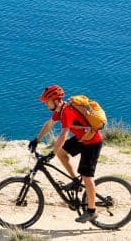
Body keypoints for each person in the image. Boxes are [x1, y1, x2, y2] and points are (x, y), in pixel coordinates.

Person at [27, 84, 102, 224]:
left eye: (46, 102)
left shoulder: (67, 111)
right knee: (63, 153)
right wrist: (37, 140)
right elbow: (49, 124)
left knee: (87, 176)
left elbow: (63, 134)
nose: (45, 104)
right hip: (82, 138)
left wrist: (52, 154)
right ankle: (75, 181)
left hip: (92, 142)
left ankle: (91, 211)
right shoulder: (60, 110)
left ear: (55, 100)